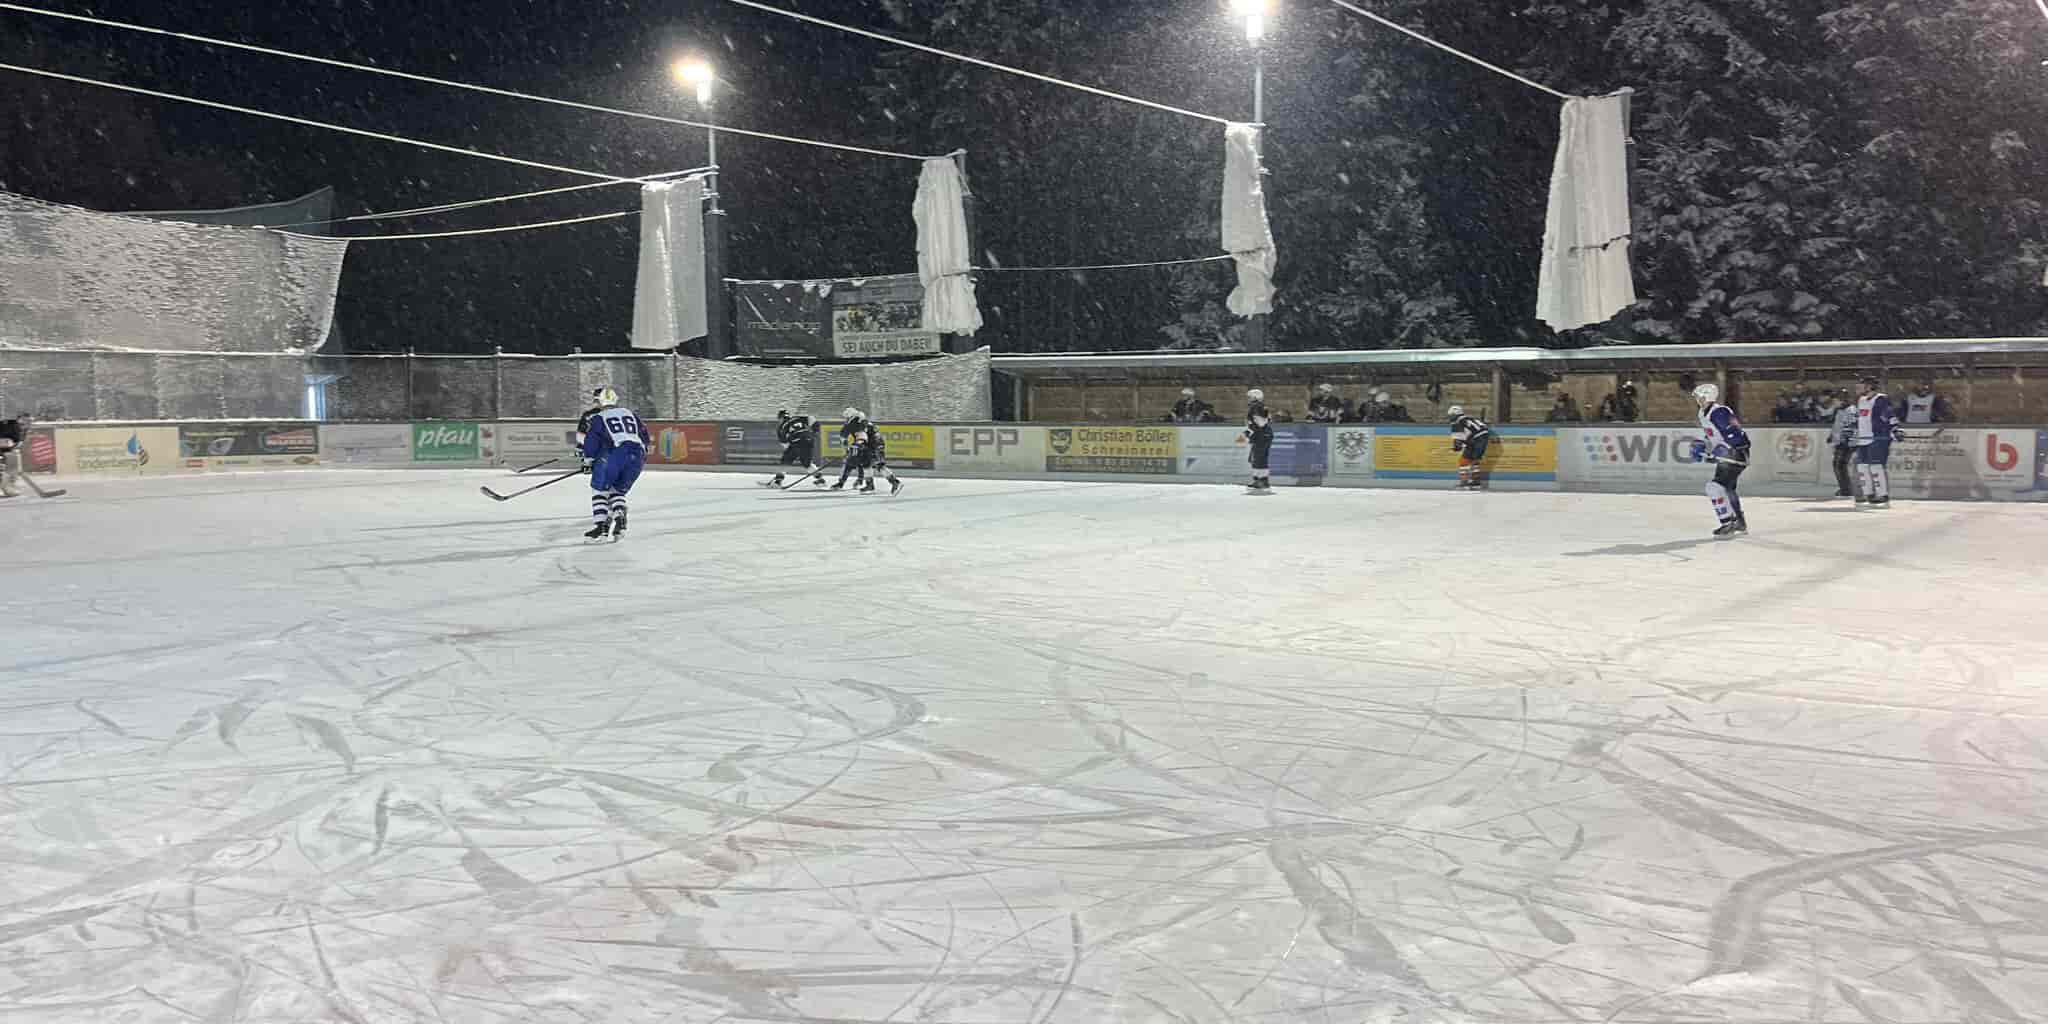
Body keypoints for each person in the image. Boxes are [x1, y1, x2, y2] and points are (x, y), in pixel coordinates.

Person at [580, 389, 649, 541]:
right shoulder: (630, 413)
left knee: (599, 490)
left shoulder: (599, 417)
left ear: (600, 401)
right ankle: (620, 519)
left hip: (616, 454)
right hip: (638, 455)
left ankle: (601, 528)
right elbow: (644, 435)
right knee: (617, 491)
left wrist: (588, 460)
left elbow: (592, 440)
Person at [1689, 383, 1752, 536]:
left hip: (1737, 453)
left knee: (1715, 487)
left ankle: (1729, 522)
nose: (1697, 400)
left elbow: (1735, 434)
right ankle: (1738, 522)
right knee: (1727, 488)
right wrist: (1705, 446)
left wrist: (1721, 451)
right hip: (1728, 455)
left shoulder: (1719, 412)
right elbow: (1712, 435)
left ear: (1707, 397)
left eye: (1699, 397)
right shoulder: (1703, 413)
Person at [1853, 376, 1904, 507]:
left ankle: (1883, 496)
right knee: (1862, 467)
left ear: (1869, 386)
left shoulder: (1881, 399)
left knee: (1876, 466)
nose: (1858, 387)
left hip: (1878, 438)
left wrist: (1896, 429)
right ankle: (1869, 494)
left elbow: (1889, 414)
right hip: (1863, 439)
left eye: (1862, 385)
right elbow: (1860, 419)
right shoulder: (1861, 400)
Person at [764, 410, 826, 488]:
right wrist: (814, 431)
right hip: (808, 440)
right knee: (807, 463)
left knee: (785, 461)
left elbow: (785, 445)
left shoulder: (781, 427)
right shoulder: (798, 418)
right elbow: (812, 419)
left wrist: (792, 453)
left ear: (781, 418)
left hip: (796, 442)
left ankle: (778, 481)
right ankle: (820, 480)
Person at [1447, 405, 1491, 490]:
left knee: (1465, 461)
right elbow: (1482, 428)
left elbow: (1458, 442)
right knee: (1474, 460)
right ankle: (1476, 482)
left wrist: (1456, 447)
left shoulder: (1456, 422)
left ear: (1454, 415)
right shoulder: (1470, 418)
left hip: (1476, 439)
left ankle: (1465, 483)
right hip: (1482, 437)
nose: (1450, 417)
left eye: (1451, 415)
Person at [1827, 389, 1858, 498]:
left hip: (1847, 443)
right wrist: (1832, 435)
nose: (1834, 402)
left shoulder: (1851, 410)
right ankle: (1845, 488)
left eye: (1835, 400)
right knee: (1839, 465)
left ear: (1842, 400)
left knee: (1839, 465)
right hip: (1840, 441)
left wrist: (1846, 440)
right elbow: (1837, 425)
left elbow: (1852, 426)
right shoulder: (1840, 410)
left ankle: (1846, 490)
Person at [1244, 388, 1274, 493]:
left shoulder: (1256, 406)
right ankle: (1258, 480)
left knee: (1259, 458)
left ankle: (1262, 481)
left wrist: (1249, 432)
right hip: (1262, 435)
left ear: (1255, 397)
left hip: (1262, 436)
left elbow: (1260, 423)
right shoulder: (1259, 406)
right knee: (1257, 458)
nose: (1248, 399)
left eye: (1249, 397)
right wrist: (1249, 432)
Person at [0, 414, 23, 499]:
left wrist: (17, 442)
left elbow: (17, 438)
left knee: (11, 467)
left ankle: (9, 488)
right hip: (6, 448)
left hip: (8, 448)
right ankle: (6, 488)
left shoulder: (13, 423)